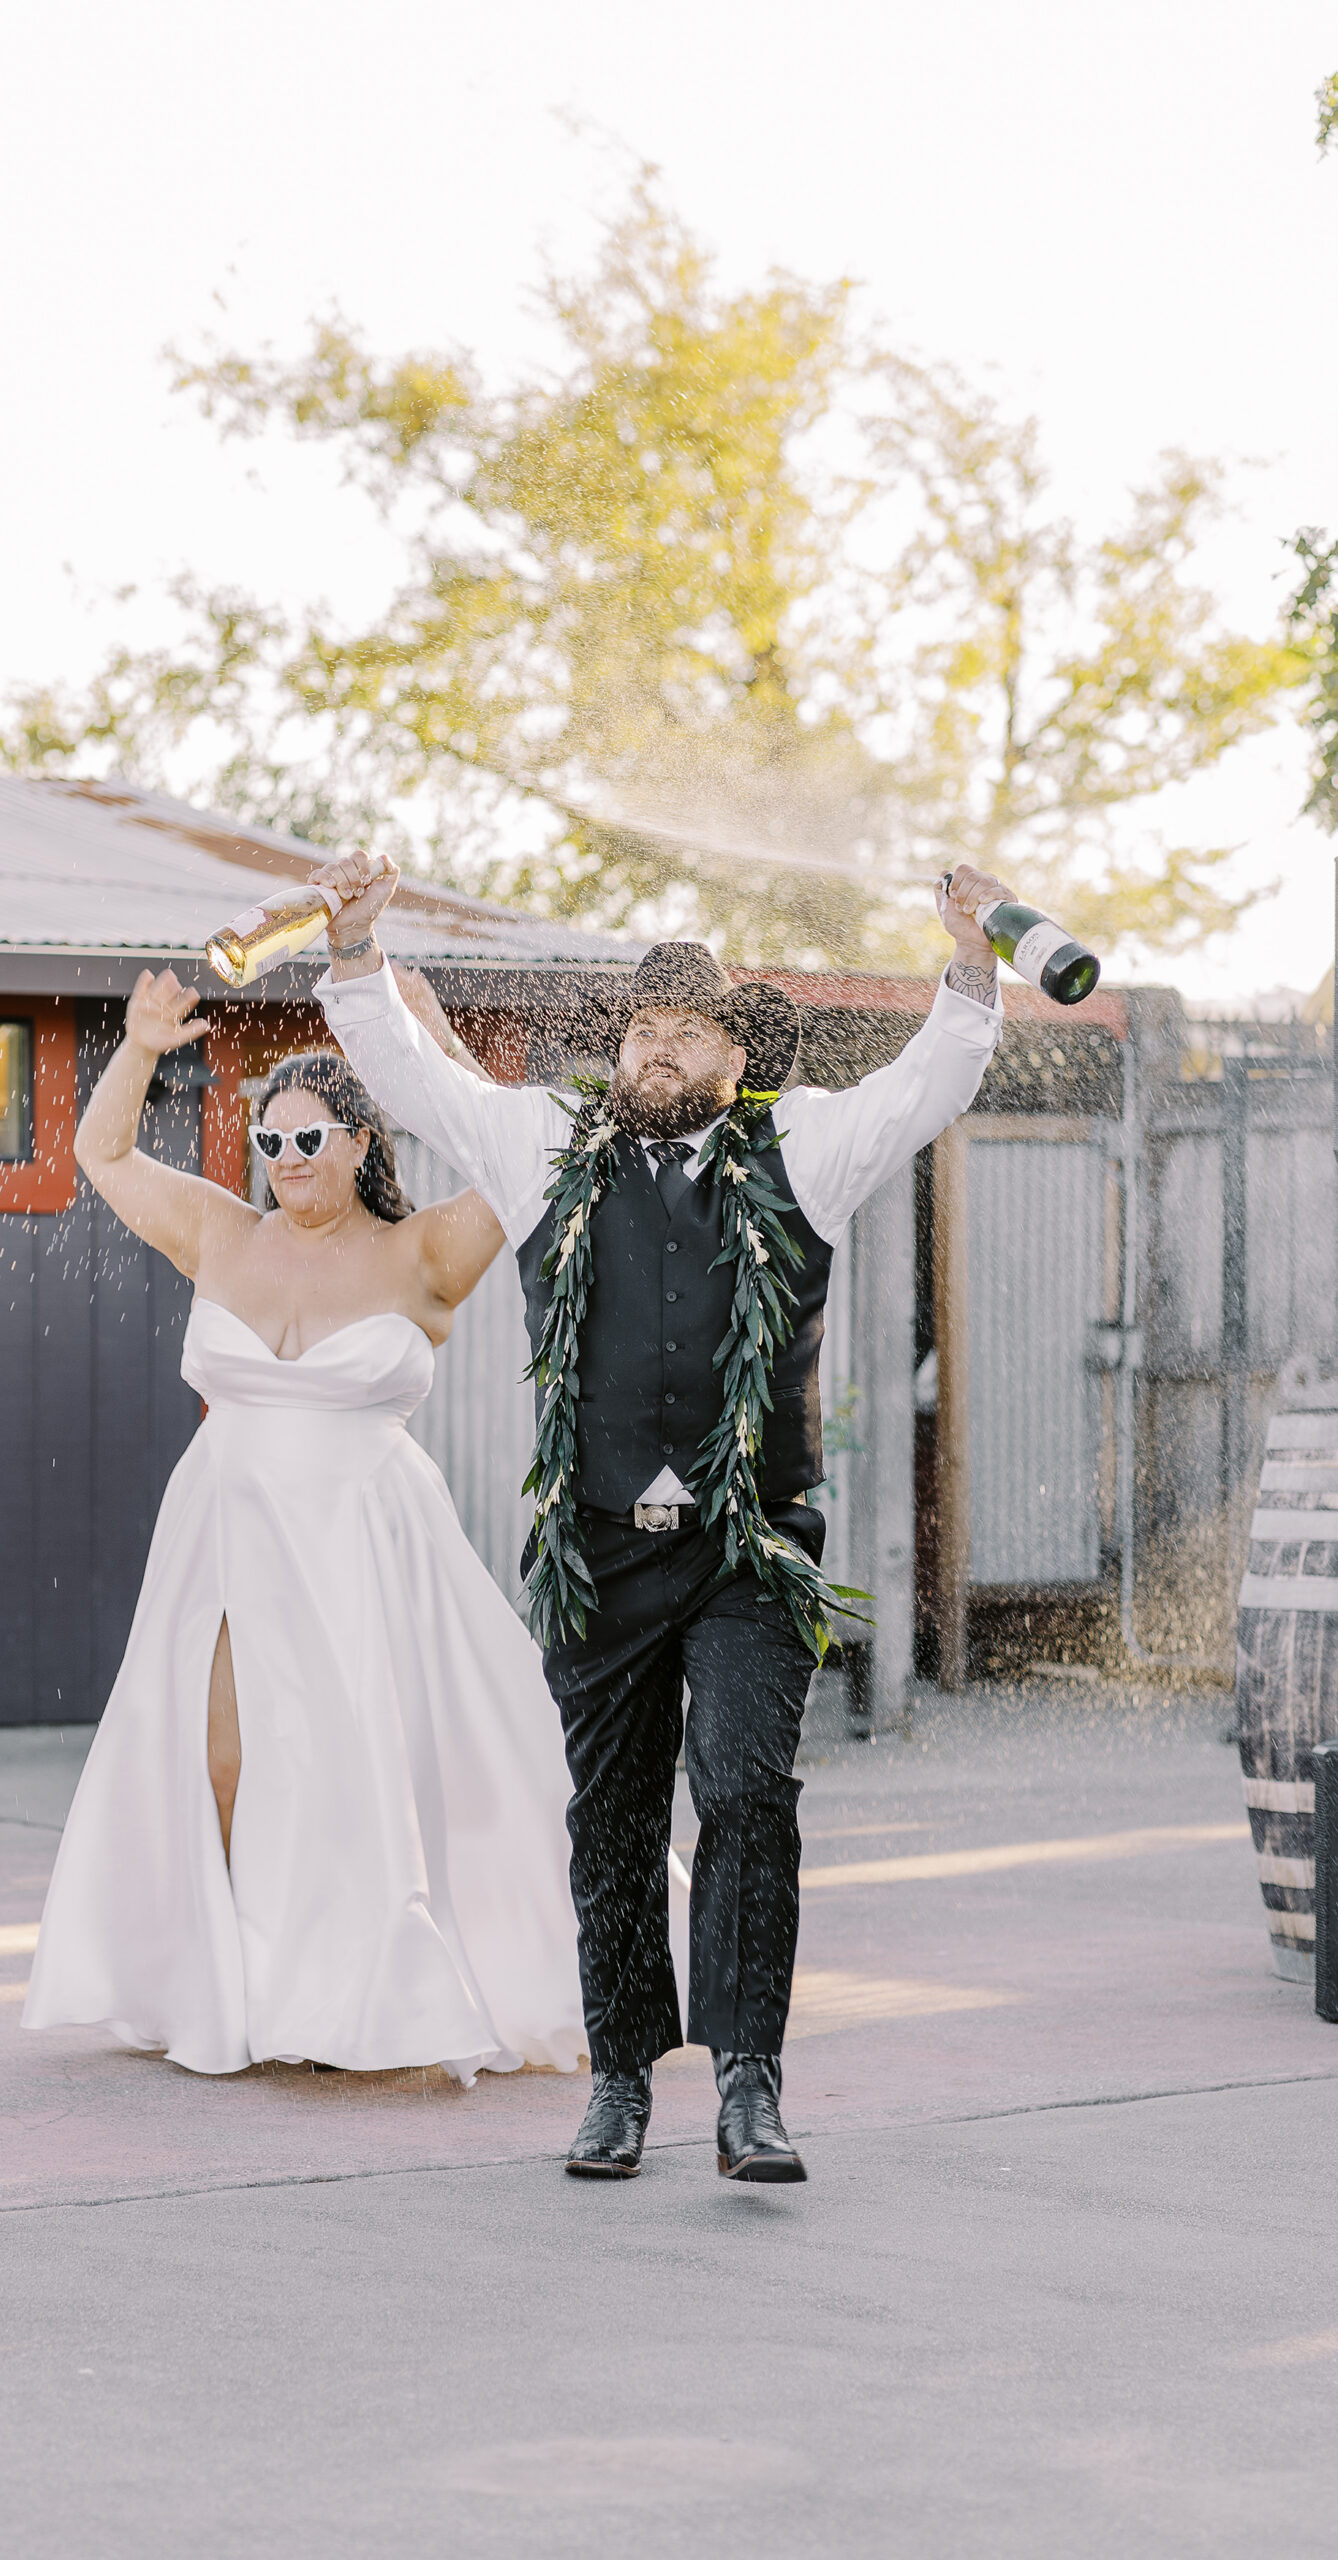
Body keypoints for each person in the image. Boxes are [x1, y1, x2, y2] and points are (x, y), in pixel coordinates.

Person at [313, 855, 1009, 2182]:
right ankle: (619, 2084)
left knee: (749, 1797)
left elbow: (927, 1083)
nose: (657, 1045)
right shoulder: (538, 1148)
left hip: (752, 1551)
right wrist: (354, 954)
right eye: (641, 1026)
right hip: (598, 1553)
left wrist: (969, 963)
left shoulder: (802, 1142)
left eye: (687, 1028)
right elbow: (419, 1081)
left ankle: (749, 2086)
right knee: (613, 1816)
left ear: (736, 1054)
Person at [23, 965, 585, 2083]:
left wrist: (432, 1045)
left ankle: (360, 1996)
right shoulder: (220, 1232)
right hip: (224, 1526)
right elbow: (104, 1156)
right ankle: (237, 1992)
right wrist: (138, 1048)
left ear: (363, 1141)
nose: (286, 1162)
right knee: (221, 1758)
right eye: (270, 1143)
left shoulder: (421, 1250)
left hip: (361, 1537)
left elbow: (530, 1163)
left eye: (310, 1139)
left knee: (356, 1764)